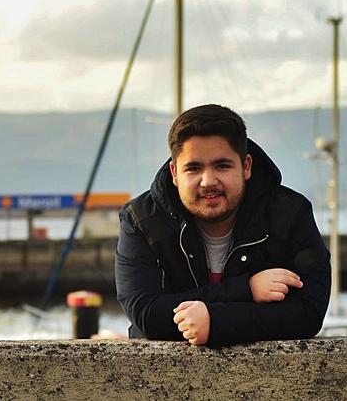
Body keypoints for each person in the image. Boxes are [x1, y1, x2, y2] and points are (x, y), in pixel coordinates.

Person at [115, 104, 330, 347]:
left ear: (246, 166)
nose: (208, 181)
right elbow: (146, 314)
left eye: (222, 166)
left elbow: (308, 313)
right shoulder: (142, 220)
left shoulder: (290, 214)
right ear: (175, 173)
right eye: (194, 168)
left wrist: (216, 321)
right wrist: (247, 289)